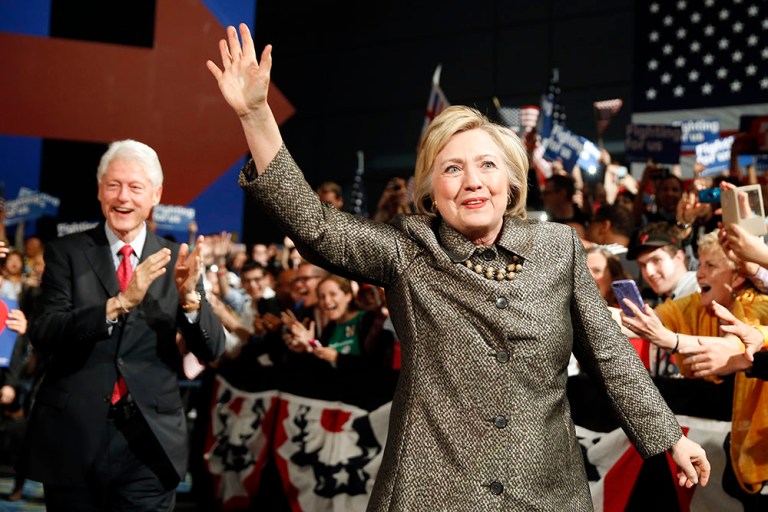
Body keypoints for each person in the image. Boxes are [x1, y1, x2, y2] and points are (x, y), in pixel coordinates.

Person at [207, 25, 710, 509]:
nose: (472, 181)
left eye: (487, 165)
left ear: (512, 182)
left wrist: (669, 437)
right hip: (432, 491)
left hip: (545, 493)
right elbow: (315, 227)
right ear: (431, 190)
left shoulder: (559, 247)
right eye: (452, 168)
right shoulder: (409, 248)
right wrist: (256, 115)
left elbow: (610, 355)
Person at [23, 139, 225, 511]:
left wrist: (190, 301)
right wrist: (117, 304)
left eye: (135, 187)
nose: (123, 197)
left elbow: (212, 349)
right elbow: (44, 333)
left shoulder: (176, 260)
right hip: (75, 435)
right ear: (100, 190)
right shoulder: (67, 253)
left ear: (156, 195)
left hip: (150, 442)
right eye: (114, 185)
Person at [620, 229, 768, 503]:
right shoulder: (693, 304)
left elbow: (730, 349)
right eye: (700, 265)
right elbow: (640, 322)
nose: (700, 274)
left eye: (710, 266)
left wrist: (672, 340)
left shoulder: (758, 304)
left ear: (737, 277)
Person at [627, 222, 699, 306]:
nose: (649, 272)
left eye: (656, 260)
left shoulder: (699, 288)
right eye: (642, 265)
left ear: (678, 258)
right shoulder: (662, 299)